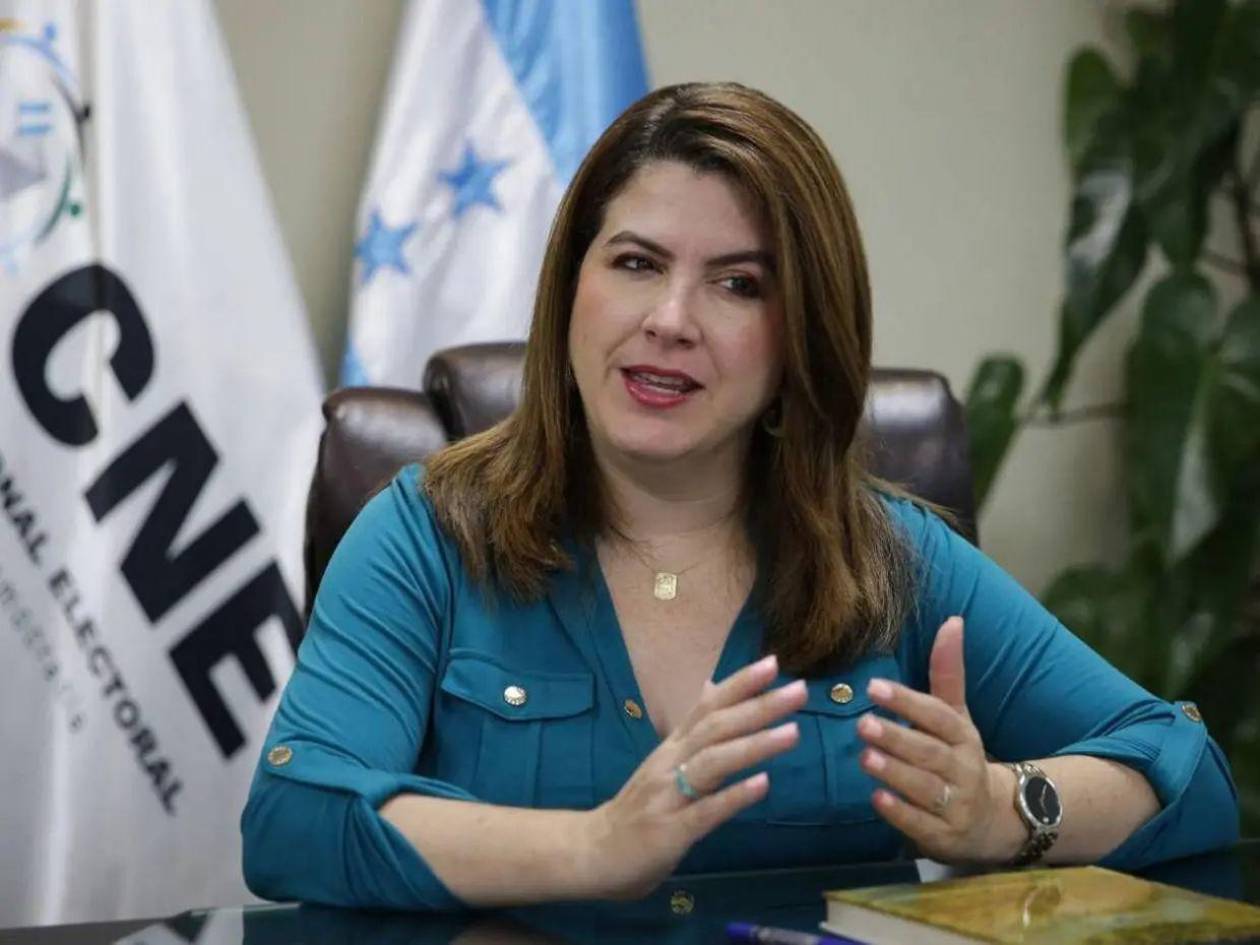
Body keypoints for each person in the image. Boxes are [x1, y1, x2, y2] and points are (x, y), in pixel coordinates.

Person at [241, 82, 1239, 911]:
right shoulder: (426, 535)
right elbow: (296, 819)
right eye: (637, 263)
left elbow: (1186, 772)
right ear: (572, 286)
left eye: (739, 285)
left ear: (801, 335)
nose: (671, 319)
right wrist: (597, 845)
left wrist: (1001, 810)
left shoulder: (888, 555)